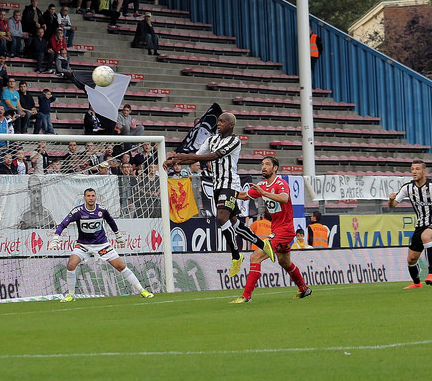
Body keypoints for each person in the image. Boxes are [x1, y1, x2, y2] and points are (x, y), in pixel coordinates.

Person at [163, 112, 273, 277]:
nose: (219, 124)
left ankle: (236, 256)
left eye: (222, 121)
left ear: (231, 125)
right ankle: (263, 245)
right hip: (216, 185)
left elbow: (215, 155)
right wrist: (173, 161)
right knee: (234, 222)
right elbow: (197, 158)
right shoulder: (211, 140)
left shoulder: (234, 141)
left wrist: (185, 156)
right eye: (218, 121)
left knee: (221, 218)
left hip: (230, 184)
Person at [231, 157, 311, 303]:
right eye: (262, 164)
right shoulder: (261, 185)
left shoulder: (281, 184)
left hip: (285, 230)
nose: (264, 167)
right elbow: (243, 196)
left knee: (255, 257)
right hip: (277, 229)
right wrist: (227, 192)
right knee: (284, 262)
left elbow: (284, 198)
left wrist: (264, 193)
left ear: (275, 168)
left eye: (267, 164)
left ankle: (246, 296)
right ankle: (304, 288)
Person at [52, 188, 154, 302]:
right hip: (83, 245)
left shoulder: (102, 210)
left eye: (93, 196)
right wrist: (56, 238)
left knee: (121, 266)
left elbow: (111, 221)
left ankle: (142, 290)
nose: (91, 198)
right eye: (88, 196)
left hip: (102, 245)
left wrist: (118, 235)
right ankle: (71, 295)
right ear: (84, 198)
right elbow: (63, 224)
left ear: (95, 197)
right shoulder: (78, 211)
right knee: (71, 265)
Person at [389, 159, 432, 289]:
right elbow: (393, 205)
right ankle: (417, 283)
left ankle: (431, 274)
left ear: (424, 171)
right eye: (412, 169)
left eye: (417, 169)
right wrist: (390, 200)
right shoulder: (407, 187)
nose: (414, 171)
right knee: (411, 259)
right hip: (421, 224)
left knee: (426, 236)